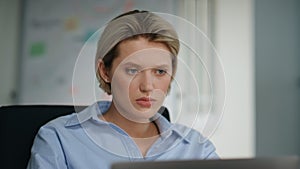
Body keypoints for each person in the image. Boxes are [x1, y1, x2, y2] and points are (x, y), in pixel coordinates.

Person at [27, 10, 218, 169]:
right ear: (105, 71)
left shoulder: (196, 148)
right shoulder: (59, 138)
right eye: (132, 70)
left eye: (160, 71)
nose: (147, 86)